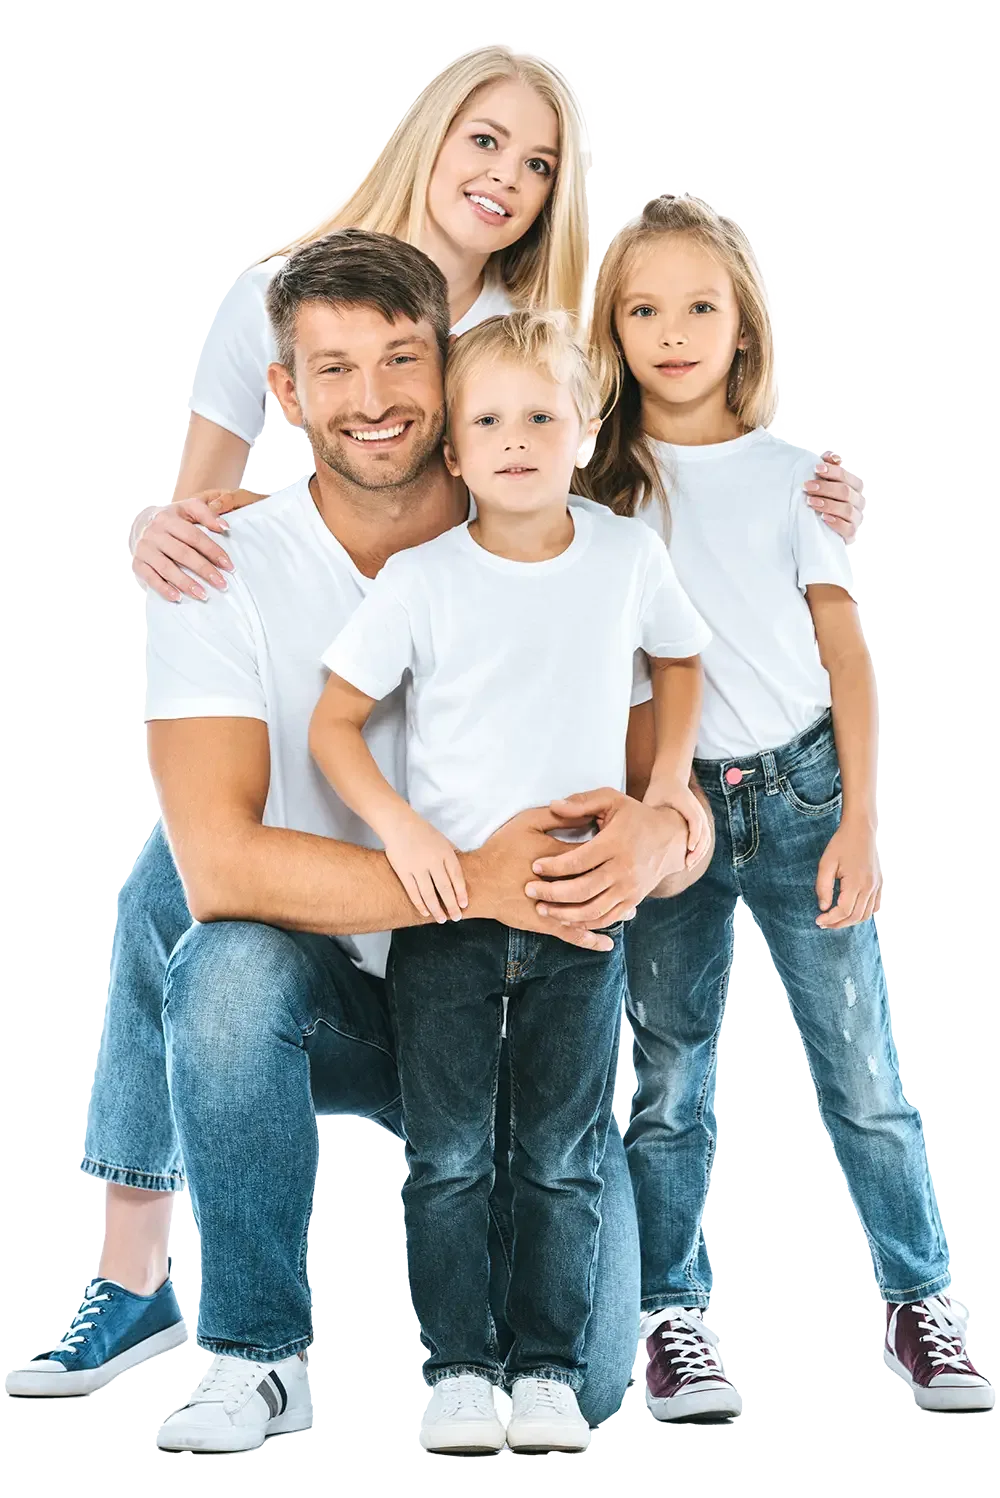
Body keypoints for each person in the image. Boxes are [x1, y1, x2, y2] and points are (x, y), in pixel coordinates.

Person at [6, 233, 699, 1453]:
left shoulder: (567, 541)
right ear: (285, 394)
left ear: (448, 365)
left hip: (531, 981)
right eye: (330, 371)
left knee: (587, 1382)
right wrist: (463, 876)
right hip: (343, 990)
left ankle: (539, 1343)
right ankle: (251, 1351)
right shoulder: (218, 562)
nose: (371, 400)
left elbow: (670, 781)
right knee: (214, 954)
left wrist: (665, 830)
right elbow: (219, 866)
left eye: (398, 361)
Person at [578, 191, 993, 1420]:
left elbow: (846, 654)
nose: (671, 330)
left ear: (742, 329)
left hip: (803, 792)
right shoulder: (599, 487)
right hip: (671, 814)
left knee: (860, 1065)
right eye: (642, 307)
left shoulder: (792, 475)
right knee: (666, 1074)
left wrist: (864, 818)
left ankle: (918, 1296)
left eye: (699, 305)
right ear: (611, 328)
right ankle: (673, 1313)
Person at [309, 309, 712, 1452]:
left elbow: (680, 661)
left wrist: (664, 791)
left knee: (559, 1152)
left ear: (584, 434)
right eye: (488, 419)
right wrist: (401, 833)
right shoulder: (422, 577)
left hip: (583, 908)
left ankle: (541, 1371)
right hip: (449, 914)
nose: (517, 437)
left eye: (543, 415)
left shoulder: (628, 556)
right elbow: (338, 724)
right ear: (454, 451)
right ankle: (453, 1370)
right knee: (447, 1151)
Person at [130, 43, 863, 605]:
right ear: (432, 139)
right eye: (485, 141)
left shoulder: (537, 336)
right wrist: (162, 535)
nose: (507, 176)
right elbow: (195, 518)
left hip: (458, 649)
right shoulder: (270, 297)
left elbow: (637, 475)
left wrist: (797, 494)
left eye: (538, 165)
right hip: (294, 614)